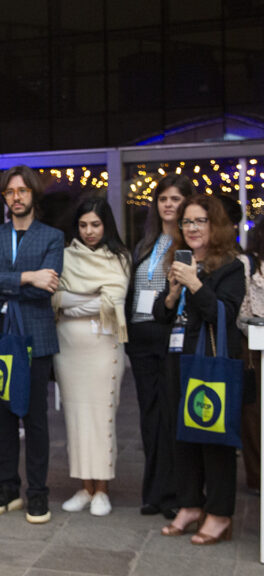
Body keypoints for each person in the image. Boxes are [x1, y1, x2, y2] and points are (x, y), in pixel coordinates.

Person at [0, 165, 64, 524]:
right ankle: (7, 489)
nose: (17, 197)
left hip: (34, 335)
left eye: (23, 191)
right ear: (4, 198)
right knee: (4, 414)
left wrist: (2, 277)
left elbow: (48, 288)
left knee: (35, 418)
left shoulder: (51, 237)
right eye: (10, 192)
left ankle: (37, 494)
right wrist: (28, 276)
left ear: (33, 195)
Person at [155, 194, 244, 545]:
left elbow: (225, 313)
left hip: (209, 363)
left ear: (215, 225)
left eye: (199, 221)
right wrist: (173, 294)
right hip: (178, 361)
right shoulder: (181, 261)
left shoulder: (231, 267)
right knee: (182, 437)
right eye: (187, 222)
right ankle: (190, 505)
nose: (191, 228)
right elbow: (163, 317)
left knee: (214, 438)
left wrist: (194, 283)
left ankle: (220, 513)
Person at [53, 197, 129, 516]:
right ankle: (85, 487)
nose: (89, 231)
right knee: (76, 418)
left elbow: (114, 300)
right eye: (83, 225)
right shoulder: (65, 256)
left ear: (106, 225)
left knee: (102, 417)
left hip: (104, 347)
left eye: (95, 224)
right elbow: (56, 296)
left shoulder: (119, 258)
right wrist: (92, 299)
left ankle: (103, 490)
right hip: (69, 349)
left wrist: (74, 303)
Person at [124, 174, 194, 519]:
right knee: (149, 419)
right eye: (163, 199)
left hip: (170, 337)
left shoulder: (190, 246)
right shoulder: (145, 244)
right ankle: (152, 493)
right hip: (140, 338)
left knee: (171, 418)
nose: (168, 204)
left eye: (175, 199)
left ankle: (173, 495)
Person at [239, 218, 264, 494]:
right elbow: (241, 314)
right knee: (253, 416)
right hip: (253, 353)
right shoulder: (249, 265)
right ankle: (257, 476)